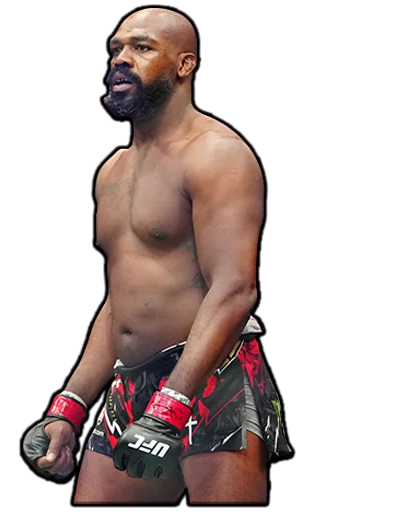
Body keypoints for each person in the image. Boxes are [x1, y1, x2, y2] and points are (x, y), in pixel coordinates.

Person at [23, 7, 291, 503]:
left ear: (185, 64)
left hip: (211, 378)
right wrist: (71, 405)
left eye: (142, 48)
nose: (121, 59)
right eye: (116, 49)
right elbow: (122, 304)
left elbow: (235, 289)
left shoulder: (216, 154)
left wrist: (172, 403)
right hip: (132, 386)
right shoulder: (113, 171)